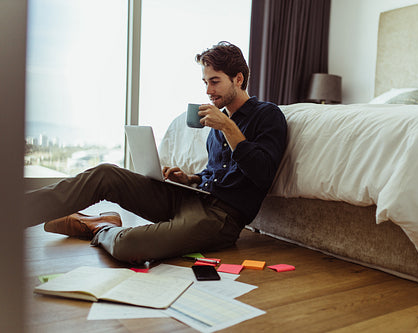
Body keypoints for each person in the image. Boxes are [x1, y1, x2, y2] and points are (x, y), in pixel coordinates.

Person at [24, 41, 288, 265]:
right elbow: (214, 173)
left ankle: (99, 226)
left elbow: (262, 173)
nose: (208, 91)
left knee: (129, 246)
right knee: (105, 174)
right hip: (191, 198)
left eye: (215, 82)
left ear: (238, 79)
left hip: (221, 219)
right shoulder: (218, 126)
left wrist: (228, 127)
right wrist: (190, 179)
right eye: (205, 82)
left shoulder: (267, 115)